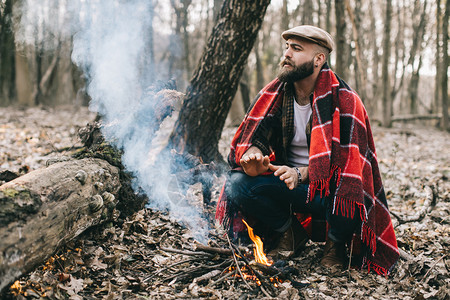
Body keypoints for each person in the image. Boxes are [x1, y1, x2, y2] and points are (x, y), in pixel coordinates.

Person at [215, 25, 399, 275]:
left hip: (329, 192)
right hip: (287, 184)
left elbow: (351, 169)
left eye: (296, 48)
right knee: (237, 183)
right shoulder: (274, 94)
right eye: (287, 47)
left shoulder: (345, 101)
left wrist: (300, 173)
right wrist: (253, 155)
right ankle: (289, 232)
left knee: (351, 190)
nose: (287, 54)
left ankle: (335, 245)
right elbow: (257, 136)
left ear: (318, 59)